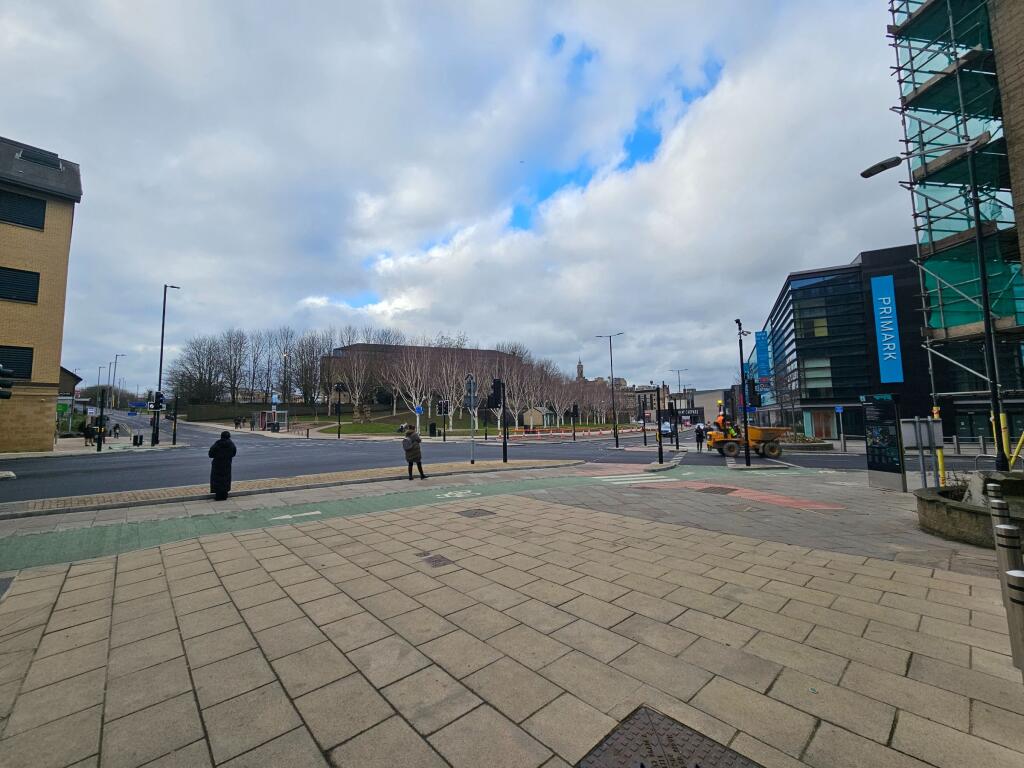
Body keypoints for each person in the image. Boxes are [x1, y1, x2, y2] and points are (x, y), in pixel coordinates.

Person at [208, 430, 237, 501]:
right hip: (227, 464)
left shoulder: (217, 443)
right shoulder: (231, 444)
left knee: (217, 480)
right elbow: (234, 453)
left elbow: (210, 454)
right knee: (226, 479)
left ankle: (218, 495)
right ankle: (224, 495)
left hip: (217, 464)